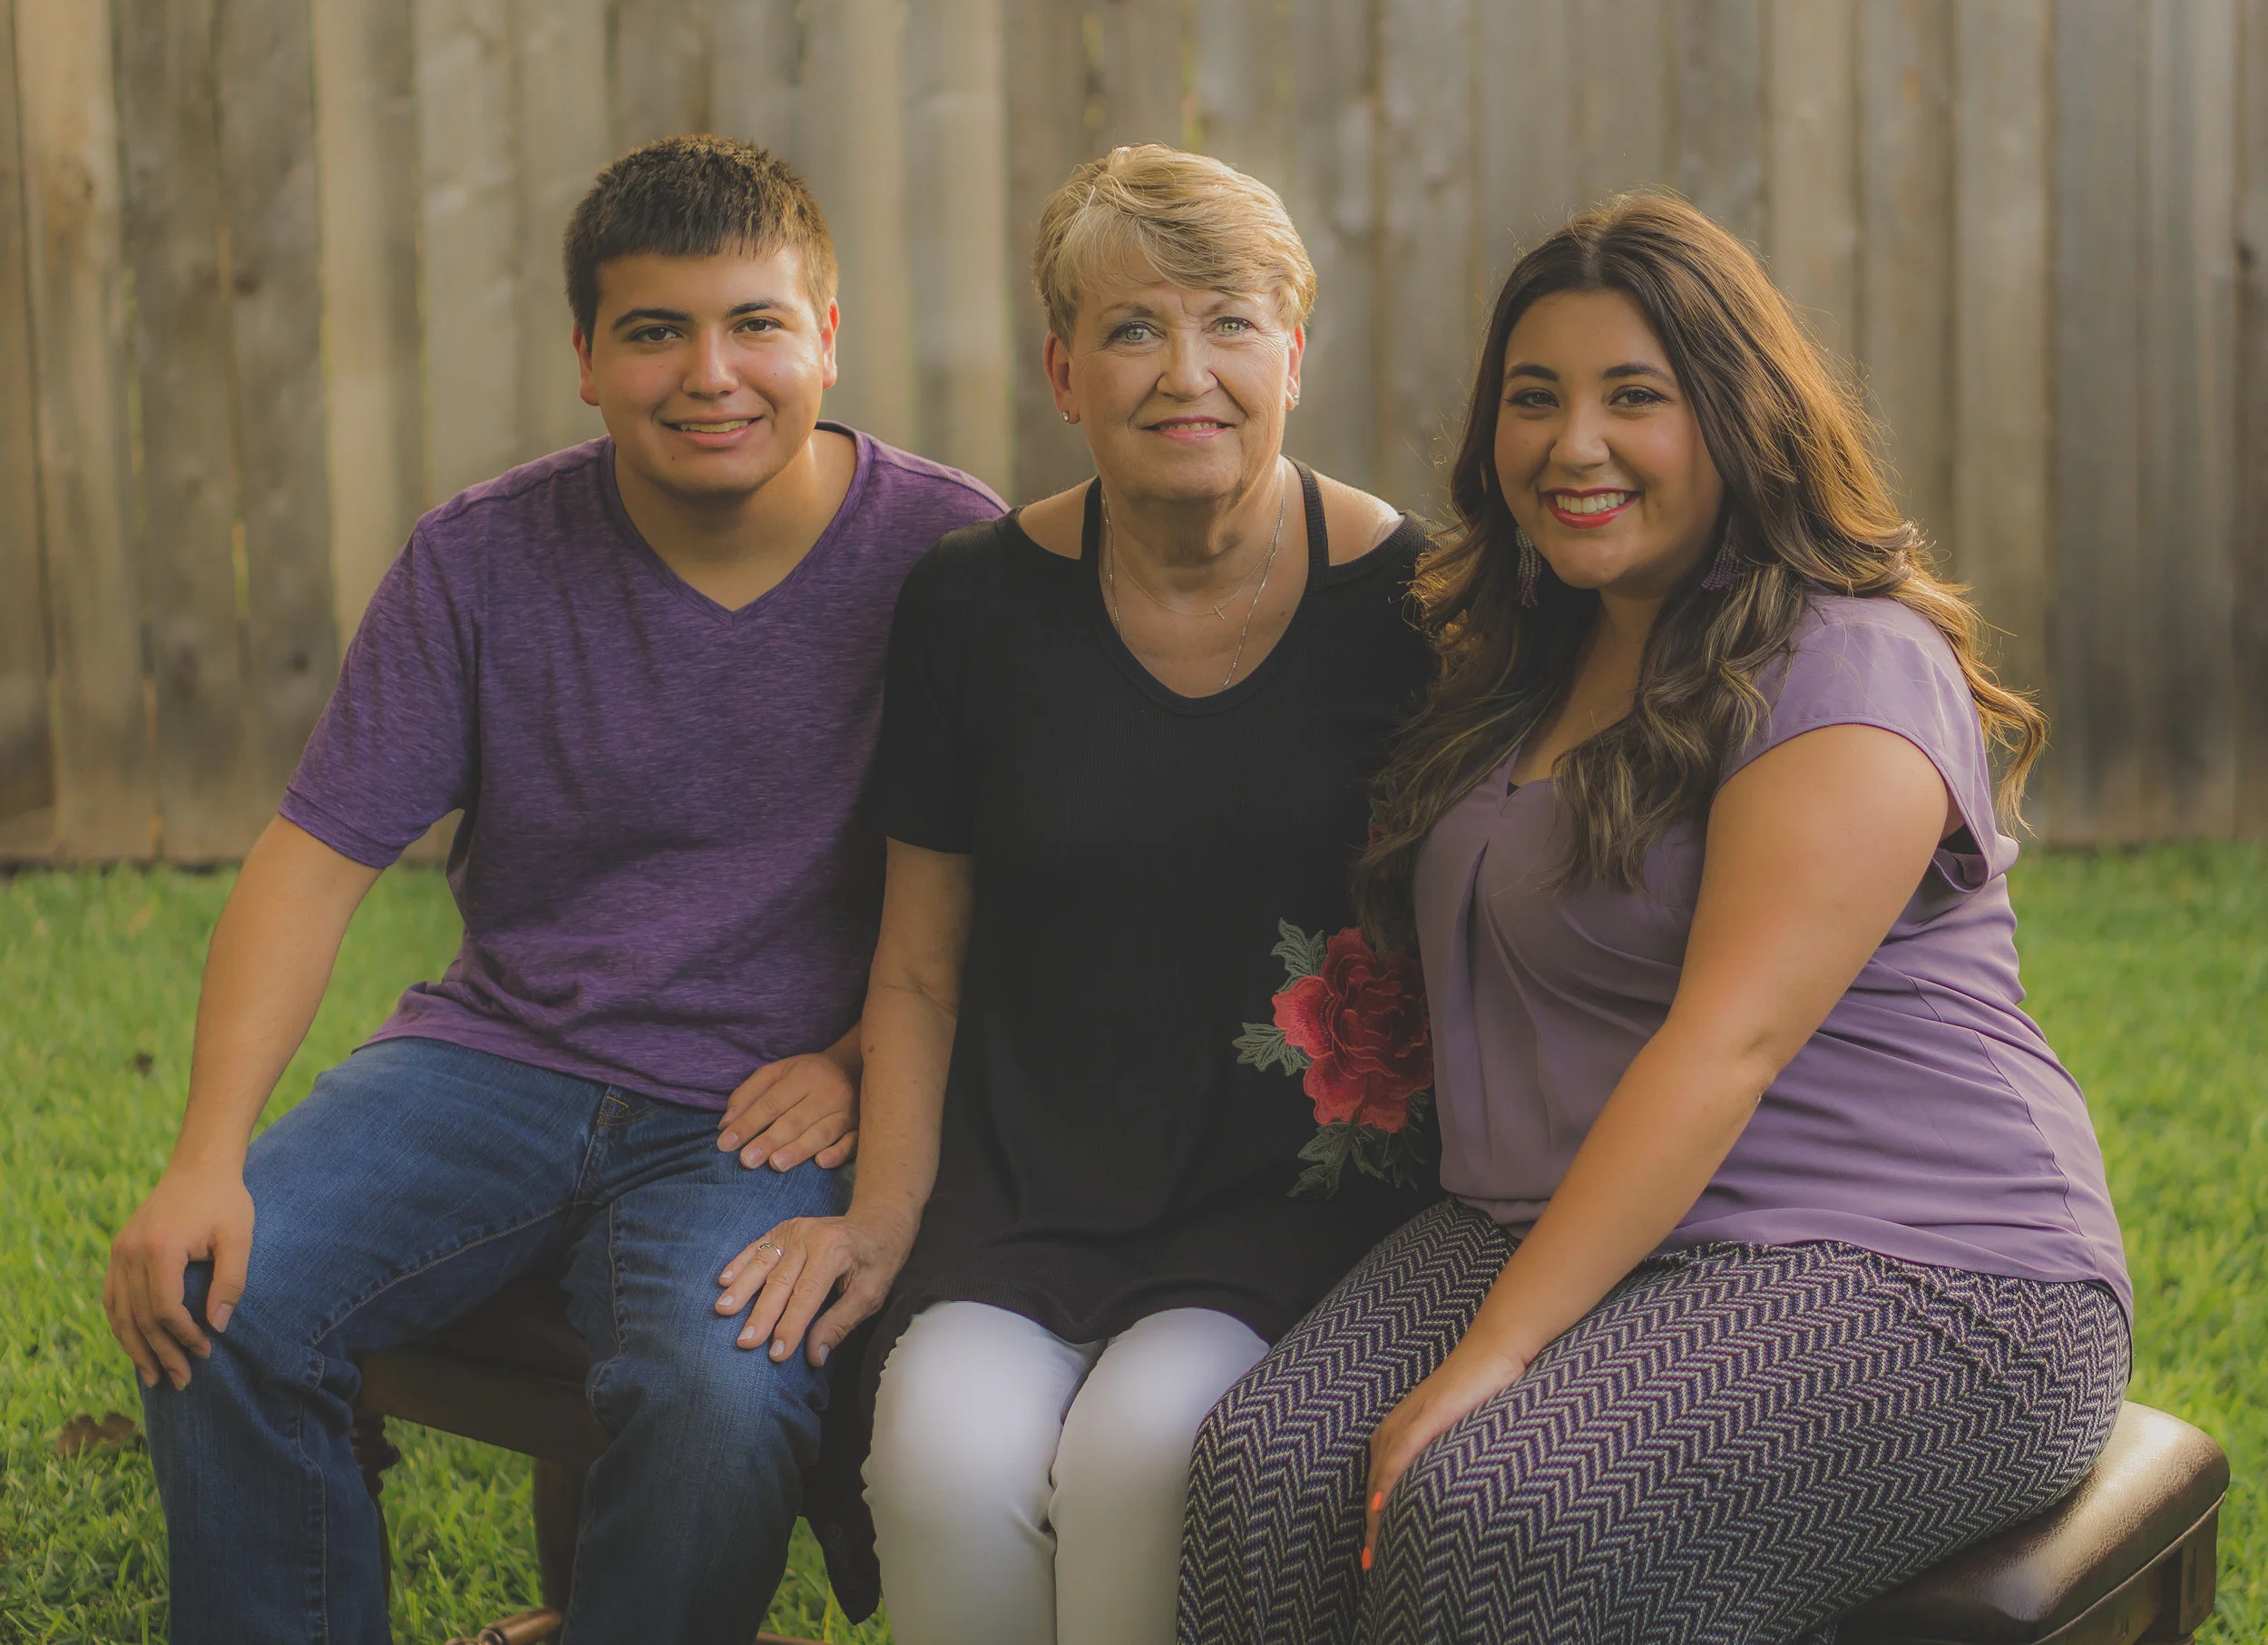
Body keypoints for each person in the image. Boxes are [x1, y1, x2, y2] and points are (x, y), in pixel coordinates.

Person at [1179, 193, 2132, 1645]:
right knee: (1264, 1475)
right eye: (1534, 399)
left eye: (1638, 397)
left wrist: (1495, 1358)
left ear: (1739, 418)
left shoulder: (1846, 663)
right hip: (1545, 1219)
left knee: (1500, 1513)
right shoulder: (1512, 672)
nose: (1575, 445)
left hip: (1913, 1262)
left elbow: (1725, 1045)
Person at [101, 134, 1003, 1645]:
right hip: (492, 1059)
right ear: (586, 357)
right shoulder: (479, 559)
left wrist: (859, 1061)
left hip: (761, 1108)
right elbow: (311, 862)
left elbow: (1016, 891)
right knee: (222, 1299)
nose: (710, 374)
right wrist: (208, 1155)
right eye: (655, 332)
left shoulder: (948, 556)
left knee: (718, 1402)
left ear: (827, 339)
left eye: (757, 325)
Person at [713, 144, 1439, 1645]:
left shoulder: (1422, 613)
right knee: (934, 1459)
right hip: (1024, 1188)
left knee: (1139, 1464)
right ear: (1062, 370)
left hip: (1285, 1203)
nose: (1188, 373)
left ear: (1295, 356)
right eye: (1131, 330)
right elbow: (918, 968)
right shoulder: (972, 607)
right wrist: (881, 1220)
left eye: (1231, 324)